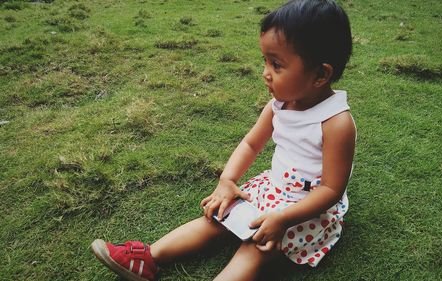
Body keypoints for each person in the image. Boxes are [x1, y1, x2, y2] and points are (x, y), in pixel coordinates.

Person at [91, 0, 355, 280]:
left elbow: (330, 190)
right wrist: (227, 181)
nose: (265, 72)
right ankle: (148, 258)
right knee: (218, 216)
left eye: (276, 65)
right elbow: (251, 144)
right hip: (271, 187)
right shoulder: (279, 105)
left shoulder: (336, 123)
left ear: (320, 74)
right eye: (265, 61)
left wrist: (284, 218)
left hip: (306, 210)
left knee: (255, 248)